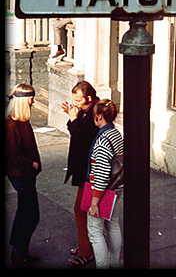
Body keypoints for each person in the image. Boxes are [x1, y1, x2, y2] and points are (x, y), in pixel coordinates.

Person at [61, 81, 99, 267]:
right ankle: (86, 246)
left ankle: (86, 251)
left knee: (81, 210)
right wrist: (72, 117)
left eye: (78, 99)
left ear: (89, 98)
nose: (75, 103)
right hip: (85, 170)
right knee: (82, 210)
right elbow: (75, 132)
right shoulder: (85, 110)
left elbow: (83, 139)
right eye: (73, 99)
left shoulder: (94, 114)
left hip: (90, 171)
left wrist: (75, 119)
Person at [5, 83, 41, 268]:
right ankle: (18, 253)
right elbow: (13, 155)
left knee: (26, 213)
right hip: (21, 175)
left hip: (25, 174)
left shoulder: (21, 122)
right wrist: (32, 163)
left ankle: (20, 251)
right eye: (31, 99)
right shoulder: (12, 125)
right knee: (30, 214)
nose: (33, 102)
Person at [87, 99, 124, 269]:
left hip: (103, 192)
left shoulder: (102, 141)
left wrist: (94, 202)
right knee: (113, 224)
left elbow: (101, 175)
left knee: (95, 231)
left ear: (99, 117)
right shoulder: (115, 134)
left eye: (94, 115)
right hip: (117, 188)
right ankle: (115, 263)